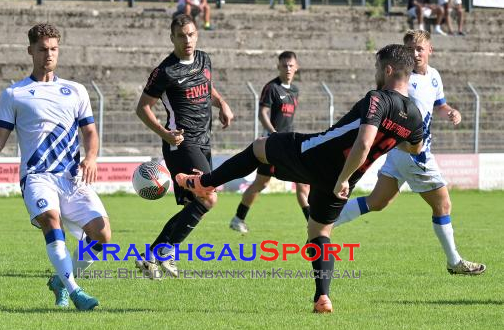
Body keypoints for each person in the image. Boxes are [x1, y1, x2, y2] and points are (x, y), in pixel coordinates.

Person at [177, 44, 424, 314]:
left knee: (260, 148)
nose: (376, 72)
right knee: (319, 233)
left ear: (388, 70)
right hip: (347, 178)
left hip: (318, 155)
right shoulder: (414, 116)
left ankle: (205, 182)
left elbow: (364, 143)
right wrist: (349, 175)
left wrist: (343, 176)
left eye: (378, 67)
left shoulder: (378, 98)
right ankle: (323, 297)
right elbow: (415, 148)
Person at [0, 23, 110, 311]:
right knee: (51, 219)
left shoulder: (76, 91)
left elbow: (90, 132)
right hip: (37, 177)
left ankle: (60, 280)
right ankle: (75, 291)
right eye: (42, 49)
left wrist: (92, 157)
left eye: (53, 49)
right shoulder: (15, 94)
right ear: (30, 51)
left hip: (71, 177)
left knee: (102, 236)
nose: (49, 54)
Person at [334, 30, 485, 275]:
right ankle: (454, 261)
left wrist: (450, 111)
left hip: (399, 153)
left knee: (377, 202)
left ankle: (324, 222)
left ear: (430, 50)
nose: (415, 54)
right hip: (415, 153)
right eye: (410, 49)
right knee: (443, 205)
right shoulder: (404, 81)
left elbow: (439, 104)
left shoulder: (434, 76)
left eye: (419, 49)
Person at [135, 13, 233, 279]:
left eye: (190, 34)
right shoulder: (165, 71)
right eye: (181, 36)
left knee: (198, 203)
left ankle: (151, 255)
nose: (187, 40)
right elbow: (142, 108)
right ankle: (167, 250)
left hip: (204, 141)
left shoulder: (203, 59)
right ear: (172, 38)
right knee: (209, 196)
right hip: (181, 143)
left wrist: (222, 103)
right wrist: (165, 134)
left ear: (197, 34)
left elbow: (207, 88)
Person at [230, 51, 310, 234]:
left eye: (291, 65)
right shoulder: (271, 88)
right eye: (284, 65)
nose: (288, 69)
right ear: (278, 66)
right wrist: (273, 133)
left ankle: (312, 222)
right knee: (261, 183)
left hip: (290, 144)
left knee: (303, 182)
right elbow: (262, 113)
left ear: (296, 67)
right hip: (273, 145)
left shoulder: (295, 90)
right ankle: (238, 218)